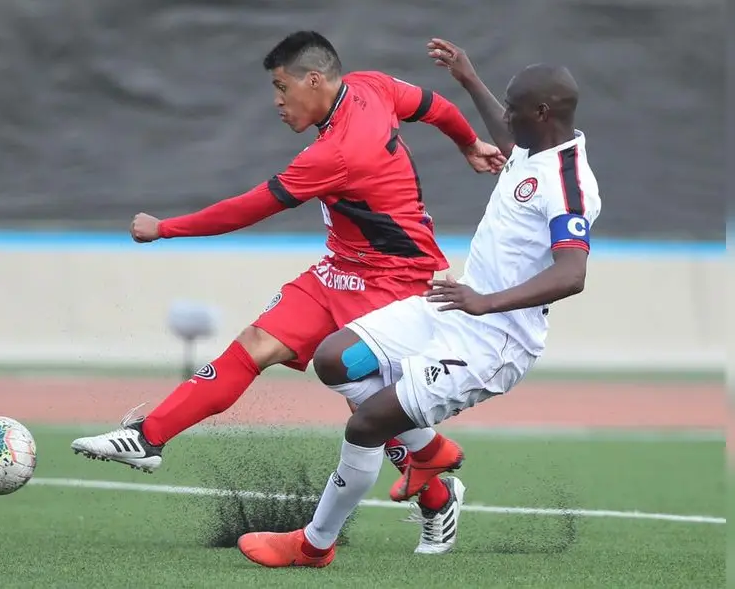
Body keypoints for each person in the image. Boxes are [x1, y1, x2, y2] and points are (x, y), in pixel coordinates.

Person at [69, 31, 506, 531]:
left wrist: (165, 229)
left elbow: (248, 208)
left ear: (314, 80)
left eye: (282, 88)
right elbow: (433, 104)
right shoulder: (372, 86)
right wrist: (469, 144)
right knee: (256, 344)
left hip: (395, 283)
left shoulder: (336, 153)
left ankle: (434, 496)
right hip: (339, 270)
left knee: (367, 404)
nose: (277, 102)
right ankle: (148, 438)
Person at [236, 38, 603, 568]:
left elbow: (573, 274)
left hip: (495, 342)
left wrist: (484, 302)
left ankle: (314, 545)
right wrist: (469, 78)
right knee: (335, 359)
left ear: (541, 113)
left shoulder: (571, 185)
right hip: (452, 309)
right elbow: (508, 137)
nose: (504, 116)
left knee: (365, 426)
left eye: (513, 107)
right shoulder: (535, 148)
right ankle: (428, 455)